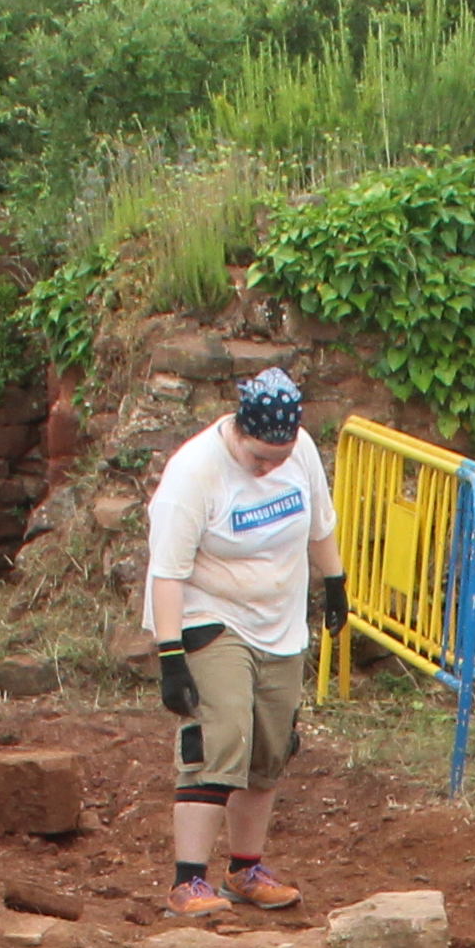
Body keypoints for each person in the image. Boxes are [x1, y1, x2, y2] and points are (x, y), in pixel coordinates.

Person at [138, 366, 343, 920]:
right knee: (222, 735)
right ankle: (188, 881)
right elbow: (167, 575)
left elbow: (320, 523)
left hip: (279, 620)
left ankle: (245, 870)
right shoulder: (194, 474)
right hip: (210, 614)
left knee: (271, 745)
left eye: (279, 458)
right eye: (259, 459)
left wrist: (336, 582)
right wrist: (172, 657)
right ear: (238, 430)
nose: (270, 467)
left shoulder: (297, 450)